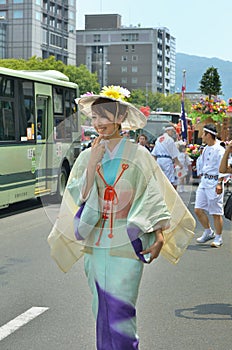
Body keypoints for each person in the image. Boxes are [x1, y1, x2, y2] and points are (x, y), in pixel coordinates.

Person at [47, 86, 195, 350]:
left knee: (122, 312)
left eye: (103, 117)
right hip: (97, 242)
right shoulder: (85, 156)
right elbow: (79, 196)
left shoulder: (139, 155)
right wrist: (92, 163)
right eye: (94, 118)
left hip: (127, 242)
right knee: (101, 310)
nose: (98, 124)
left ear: (118, 118)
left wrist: (159, 235)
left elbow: (152, 195)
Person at [195, 124, 225, 247]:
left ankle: (219, 237)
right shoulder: (206, 148)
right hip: (204, 181)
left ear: (208, 135)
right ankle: (208, 232)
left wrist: (220, 183)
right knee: (198, 209)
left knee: (215, 213)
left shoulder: (220, 150)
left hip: (214, 182)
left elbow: (224, 167)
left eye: (203, 134)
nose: (202, 136)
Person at [151, 125, 183, 189]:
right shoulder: (169, 140)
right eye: (172, 131)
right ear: (167, 131)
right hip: (167, 161)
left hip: (159, 161)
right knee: (168, 180)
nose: (172, 133)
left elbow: (154, 154)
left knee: (160, 178)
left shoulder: (158, 139)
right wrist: (179, 164)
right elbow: (174, 155)